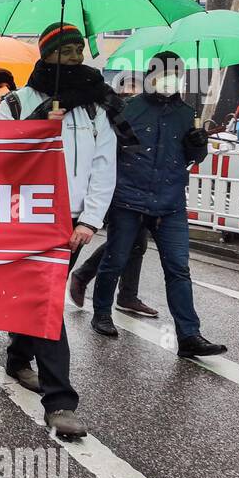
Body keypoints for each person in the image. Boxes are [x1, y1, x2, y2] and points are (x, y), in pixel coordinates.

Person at [0, 22, 119, 441]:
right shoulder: (16, 103)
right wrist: (38, 125)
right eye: (65, 51)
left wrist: (90, 220)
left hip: (72, 222)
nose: (75, 57)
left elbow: (105, 166)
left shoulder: (96, 108)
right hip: (27, 218)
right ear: (46, 54)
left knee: (40, 296)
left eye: (79, 49)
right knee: (47, 300)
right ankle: (60, 401)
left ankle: (17, 355)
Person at [90, 52, 226, 357]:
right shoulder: (129, 109)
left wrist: (197, 143)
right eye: (163, 74)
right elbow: (111, 152)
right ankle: (101, 313)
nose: (168, 81)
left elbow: (192, 157)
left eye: (175, 74)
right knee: (116, 258)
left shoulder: (185, 112)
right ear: (150, 76)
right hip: (129, 198)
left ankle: (189, 335)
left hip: (171, 202)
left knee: (178, 268)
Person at [68, 73, 157, 318]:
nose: (132, 93)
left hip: (139, 184)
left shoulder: (136, 112)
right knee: (126, 241)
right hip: (116, 185)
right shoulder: (111, 112)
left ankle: (125, 294)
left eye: (136, 89)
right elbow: (114, 150)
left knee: (136, 242)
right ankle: (89, 279)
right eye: (128, 88)